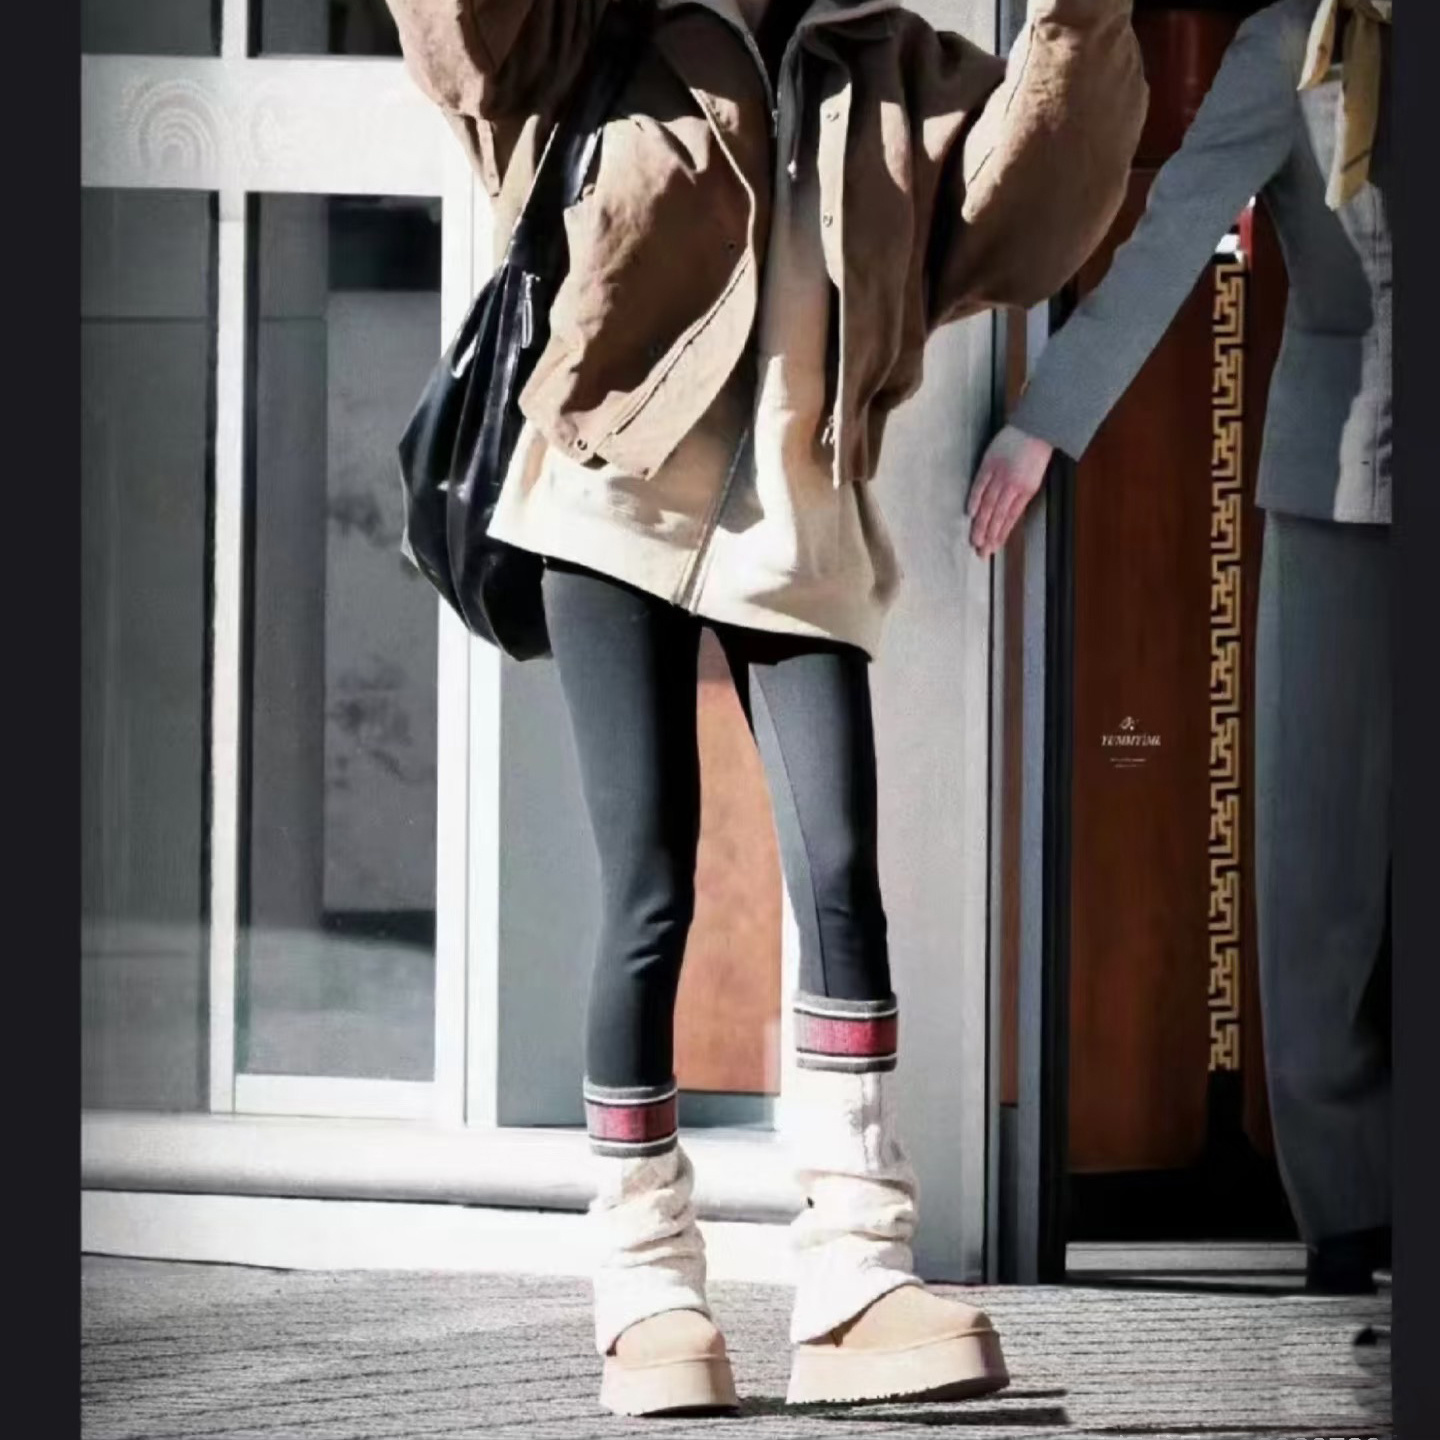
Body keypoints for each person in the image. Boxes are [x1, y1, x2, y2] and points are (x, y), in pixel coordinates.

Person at [387, 0, 1146, 1415]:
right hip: (606, 509)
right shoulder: (596, 31)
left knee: (842, 878)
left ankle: (856, 1274)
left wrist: (1079, 24)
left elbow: (1028, 224)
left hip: (797, 531)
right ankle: (644, 1287)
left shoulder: (892, 64)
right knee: (649, 891)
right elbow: (467, 49)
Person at [968, 0, 1392, 1295]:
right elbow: (1171, 235)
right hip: (1339, 492)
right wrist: (1046, 417)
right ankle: (1351, 1211)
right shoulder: (1289, 46)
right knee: (1318, 868)